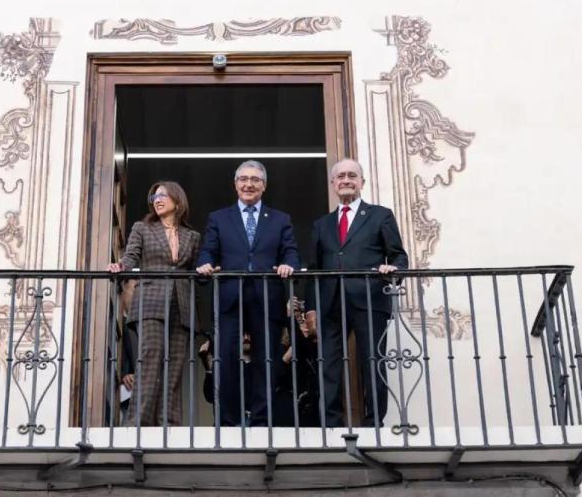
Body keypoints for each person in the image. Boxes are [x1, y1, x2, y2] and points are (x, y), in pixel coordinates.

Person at [302, 158, 408, 428]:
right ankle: (332, 424)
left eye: (352, 175)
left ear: (362, 182)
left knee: (372, 362)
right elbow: (314, 269)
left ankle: (374, 423)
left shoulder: (380, 215)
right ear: (333, 183)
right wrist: (310, 309)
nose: (346, 180)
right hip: (329, 303)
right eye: (341, 176)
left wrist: (392, 268)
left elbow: (398, 256)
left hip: (369, 298)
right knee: (329, 366)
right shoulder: (321, 224)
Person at [196, 160, 299, 426]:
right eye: (243, 179)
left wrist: (290, 264)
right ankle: (229, 421)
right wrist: (205, 263)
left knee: (266, 359)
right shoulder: (219, 217)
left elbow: (290, 250)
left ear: (264, 186)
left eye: (255, 180)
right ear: (235, 184)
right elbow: (209, 249)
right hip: (230, 296)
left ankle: (261, 421)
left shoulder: (280, 219)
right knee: (227, 361)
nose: (248, 184)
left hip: (267, 296)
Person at [108, 181, 200, 426]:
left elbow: (196, 273)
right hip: (150, 301)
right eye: (154, 197)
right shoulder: (143, 228)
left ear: (177, 200)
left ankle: (169, 423)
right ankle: (138, 422)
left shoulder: (192, 236)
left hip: (182, 305)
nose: (156, 200)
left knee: (176, 365)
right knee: (150, 359)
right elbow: (131, 255)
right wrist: (122, 266)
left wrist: (207, 269)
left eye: (162, 195)